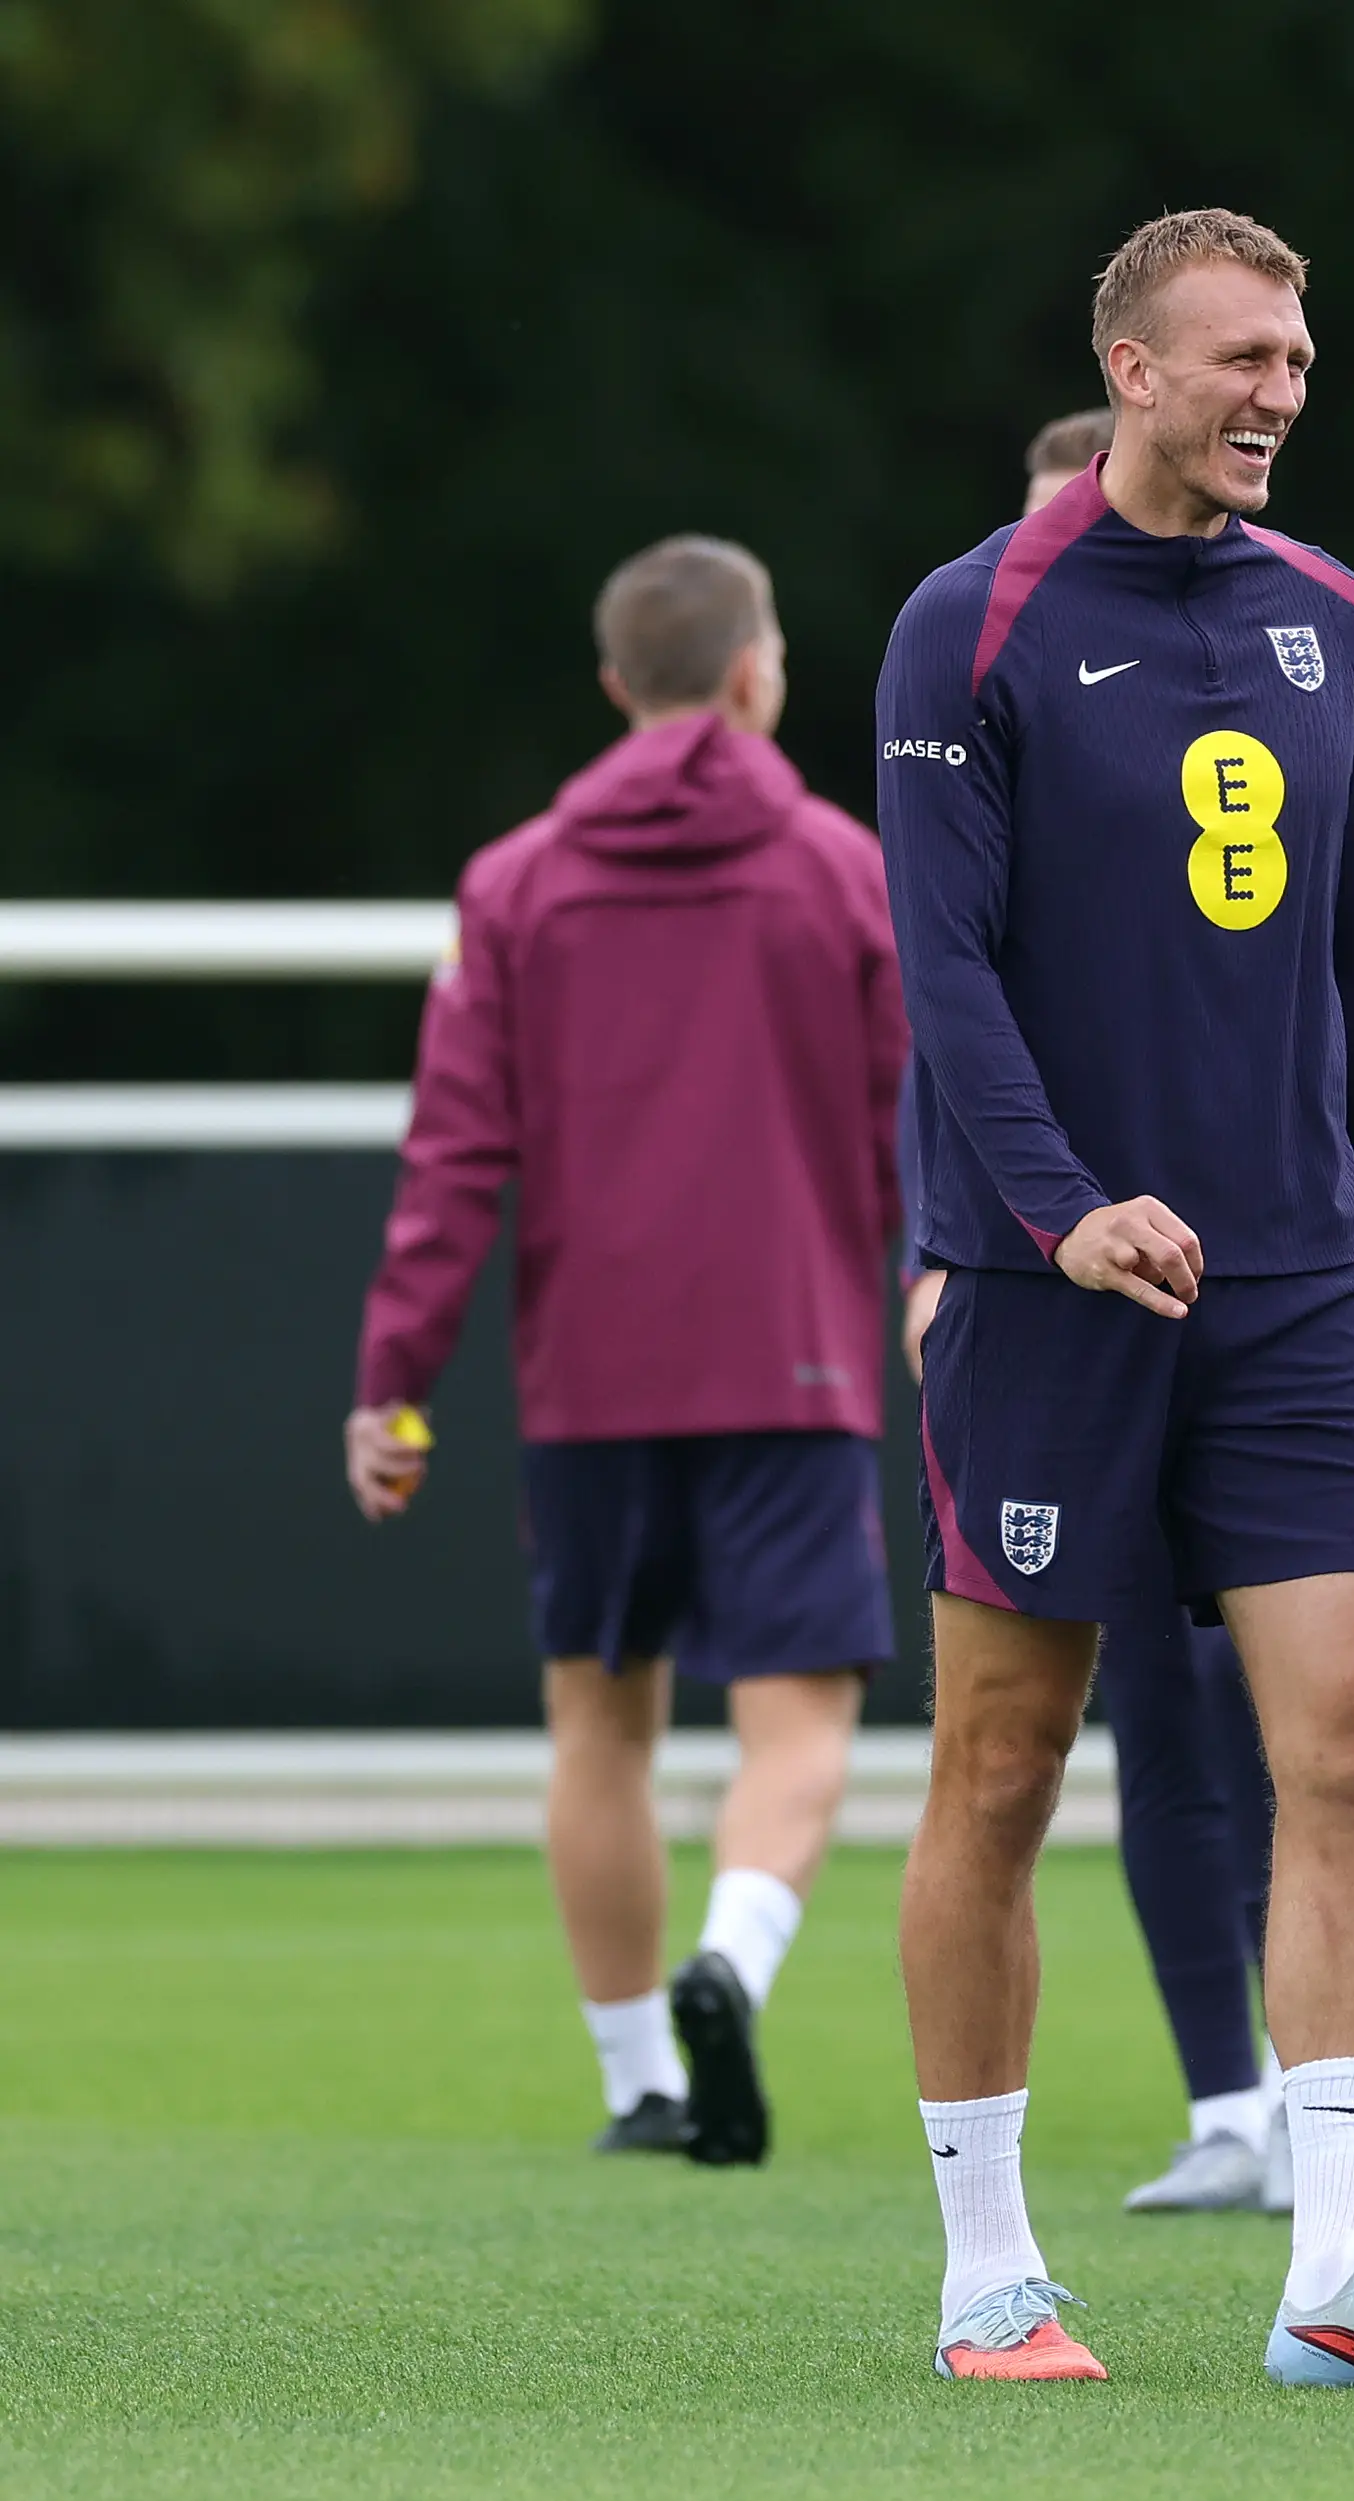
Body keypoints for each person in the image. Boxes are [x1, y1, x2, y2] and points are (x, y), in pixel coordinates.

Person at [874, 207, 1354, 2389]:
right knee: (1002, 1761)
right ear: (1132, 370)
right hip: (1043, 1287)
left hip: (1287, 1293)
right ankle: (991, 2269)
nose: (1277, 392)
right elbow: (946, 967)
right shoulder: (967, 624)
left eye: (1297, 359)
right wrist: (1061, 1207)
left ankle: (1340, 2272)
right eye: (1240, 357)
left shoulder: (1331, 618)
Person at [348, 533, 900, 2171]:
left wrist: (394, 1381)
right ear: (754, 674)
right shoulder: (840, 869)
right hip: (794, 1356)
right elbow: (905, 1130)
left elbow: (454, 1158)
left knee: (601, 1726)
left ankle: (636, 2081)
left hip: (590, 1372)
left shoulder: (512, 883)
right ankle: (730, 1962)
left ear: (615, 688)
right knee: (797, 1726)